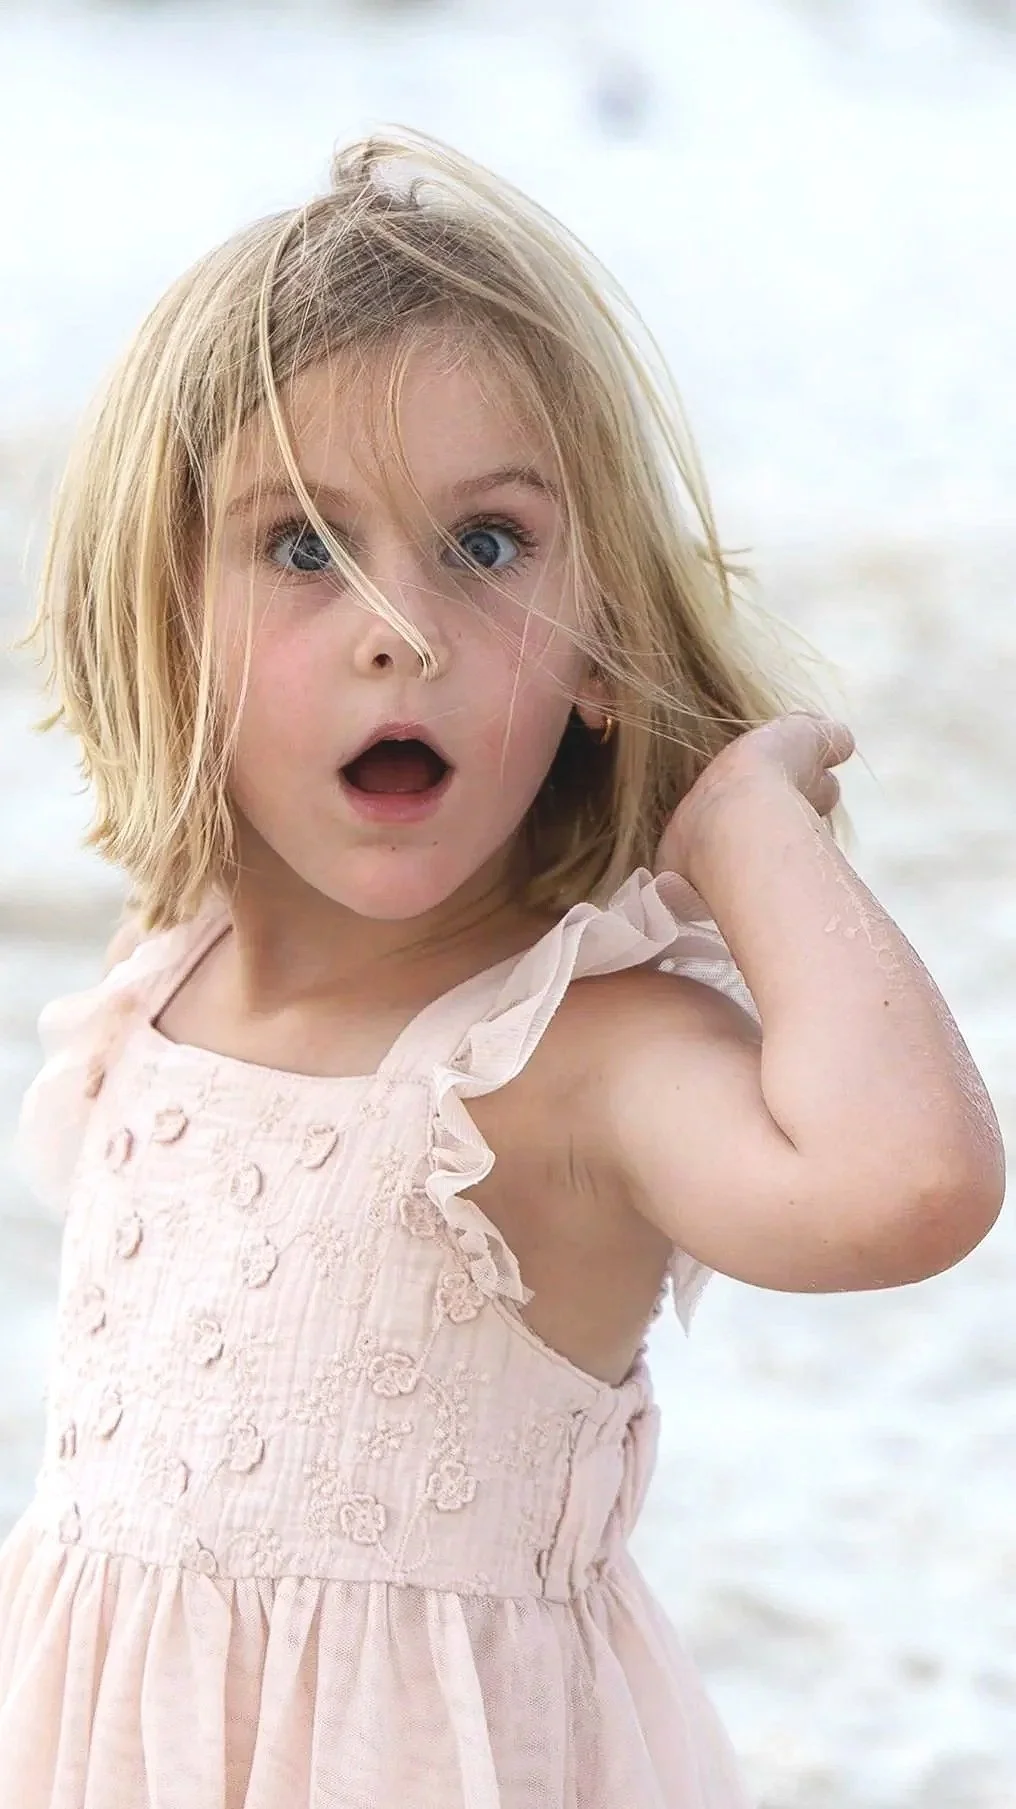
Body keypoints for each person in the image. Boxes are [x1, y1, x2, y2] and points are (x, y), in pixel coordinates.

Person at [0, 129, 1004, 1809]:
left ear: (602, 641)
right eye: (303, 547)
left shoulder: (558, 1063)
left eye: (488, 547)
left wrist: (746, 824)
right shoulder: (161, 978)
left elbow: (911, 1189)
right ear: (159, 617)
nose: (405, 627)